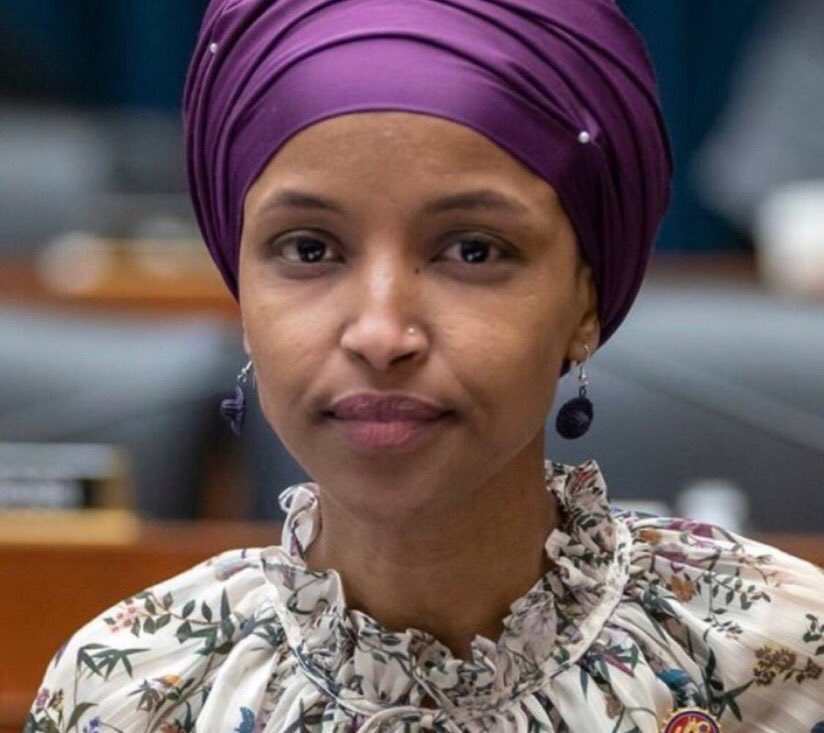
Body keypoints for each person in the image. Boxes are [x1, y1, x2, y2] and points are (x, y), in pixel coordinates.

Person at [26, 1, 824, 731]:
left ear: (586, 299)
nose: (381, 333)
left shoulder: (780, 664)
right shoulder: (136, 690)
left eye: (472, 250)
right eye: (308, 249)